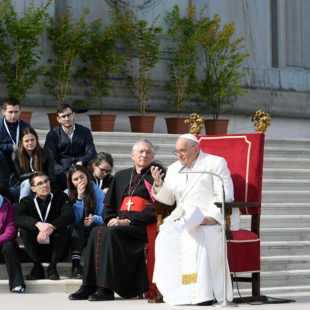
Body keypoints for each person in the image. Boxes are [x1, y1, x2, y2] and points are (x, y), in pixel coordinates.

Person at [150, 134, 240, 306]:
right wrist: (159, 184)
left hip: (208, 217)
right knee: (165, 236)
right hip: (183, 217)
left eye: (182, 151)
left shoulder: (215, 163)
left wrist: (212, 216)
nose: (179, 155)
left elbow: (225, 194)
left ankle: (203, 295)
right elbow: (170, 200)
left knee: (197, 238)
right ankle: (179, 293)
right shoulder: (175, 168)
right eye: (176, 151)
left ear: (196, 149)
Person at [69, 139, 160, 301]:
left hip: (142, 226)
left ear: (153, 156)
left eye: (148, 152)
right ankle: (88, 285)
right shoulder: (121, 176)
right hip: (119, 224)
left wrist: (127, 221)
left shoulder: (157, 176)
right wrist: (111, 219)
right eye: (140, 152)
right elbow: (108, 206)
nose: (144, 155)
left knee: (109, 233)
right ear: (132, 155)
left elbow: (158, 209)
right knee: (97, 230)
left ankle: (106, 288)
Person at [15, 172, 75, 280]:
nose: (45, 185)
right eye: (40, 183)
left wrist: (49, 227)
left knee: (63, 229)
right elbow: (18, 218)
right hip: (36, 249)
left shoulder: (61, 196)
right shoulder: (26, 201)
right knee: (24, 230)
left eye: (46, 181)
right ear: (33, 189)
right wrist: (38, 224)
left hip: (57, 249)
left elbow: (69, 215)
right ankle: (37, 267)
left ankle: (52, 267)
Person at [65, 165, 105, 279]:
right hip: (74, 232)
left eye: (82, 177)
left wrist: (94, 219)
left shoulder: (98, 192)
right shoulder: (66, 193)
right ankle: (76, 265)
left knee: (98, 227)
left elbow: (104, 216)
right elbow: (71, 221)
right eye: (75, 179)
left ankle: (98, 266)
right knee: (78, 226)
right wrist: (79, 198)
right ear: (71, 182)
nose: (80, 181)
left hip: (92, 229)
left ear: (87, 176)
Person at [44, 104, 96, 190]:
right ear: (58, 119)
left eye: (69, 115)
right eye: (63, 116)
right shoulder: (53, 134)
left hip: (81, 167)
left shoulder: (84, 131)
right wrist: (65, 172)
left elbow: (92, 152)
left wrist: (82, 162)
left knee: (90, 178)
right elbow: (51, 158)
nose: (67, 119)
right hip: (62, 172)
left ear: (74, 115)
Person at [12, 127, 56, 202]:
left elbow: (52, 176)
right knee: (27, 183)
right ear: (21, 142)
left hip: (42, 186)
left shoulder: (45, 153)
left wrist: (41, 180)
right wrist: (35, 174)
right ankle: (23, 208)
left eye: (32, 139)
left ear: (36, 139)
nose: (30, 143)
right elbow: (19, 176)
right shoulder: (16, 155)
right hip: (21, 188)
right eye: (26, 141)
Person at [0, 194, 26, 293]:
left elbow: (11, 232)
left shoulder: (9, 207)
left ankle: (17, 285)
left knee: (8, 245)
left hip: (2, 248)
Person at [0, 98, 29, 178]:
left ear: (20, 111)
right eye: (10, 112)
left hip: (21, 160)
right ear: (3, 112)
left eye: (16, 112)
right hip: (4, 161)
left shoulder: (26, 127)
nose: (13, 115)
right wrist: (10, 147)